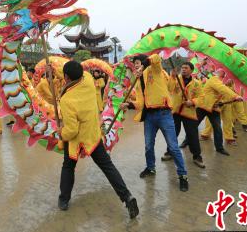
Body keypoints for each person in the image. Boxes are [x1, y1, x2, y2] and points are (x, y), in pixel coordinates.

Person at [58, 60, 139, 219]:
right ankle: (127, 196)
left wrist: (62, 133)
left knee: (68, 166)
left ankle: (64, 199)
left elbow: (72, 130)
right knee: (107, 166)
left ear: (66, 77)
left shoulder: (67, 100)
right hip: (93, 135)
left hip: (77, 140)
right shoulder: (88, 79)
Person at [122, 54, 189, 192]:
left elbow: (157, 58)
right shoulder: (138, 80)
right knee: (148, 146)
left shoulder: (155, 69)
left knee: (173, 146)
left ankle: (183, 176)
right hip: (149, 117)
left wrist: (145, 64)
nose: (136, 65)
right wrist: (129, 105)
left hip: (164, 113)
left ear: (144, 63)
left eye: (138, 62)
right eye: (134, 63)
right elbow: (141, 103)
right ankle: (151, 168)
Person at [165, 62, 205, 168]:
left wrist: (192, 102)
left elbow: (201, 97)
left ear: (191, 70)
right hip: (176, 111)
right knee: (173, 133)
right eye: (182, 67)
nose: (183, 69)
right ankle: (170, 152)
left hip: (189, 112)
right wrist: (172, 77)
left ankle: (197, 156)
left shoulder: (197, 83)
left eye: (186, 68)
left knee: (192, 135)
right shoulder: (176, 79)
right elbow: (169, 88)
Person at [193, 70, 243, 155]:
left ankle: (227, 140)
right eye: (223, 71)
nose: (224, 73)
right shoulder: (214, 79)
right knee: (194, 125)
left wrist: (235, 95)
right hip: (207, 105)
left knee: (226, 121)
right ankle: (197, 137)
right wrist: (235, 96)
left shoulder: (230, 80)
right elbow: (222, 88)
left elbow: (231, 89)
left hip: (223, 103)